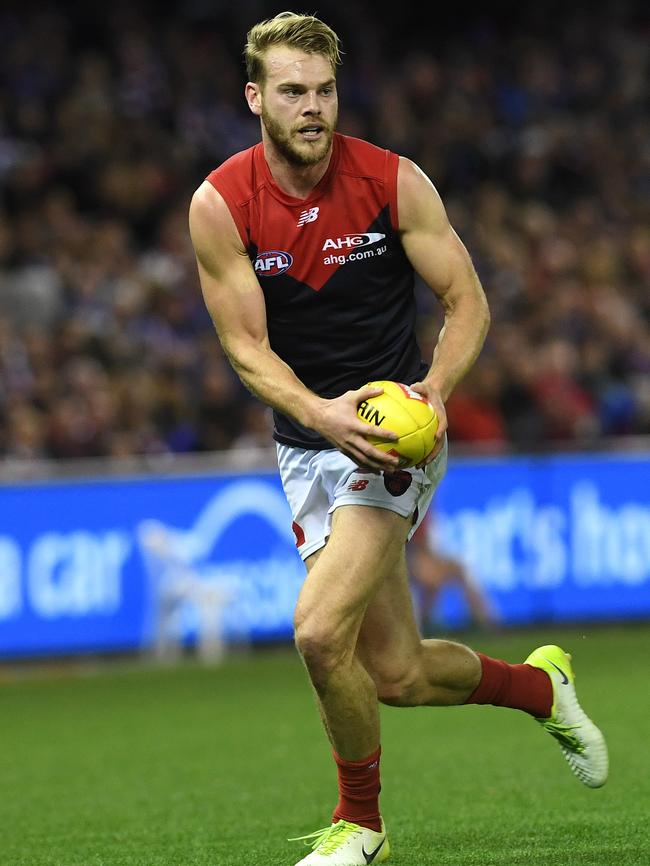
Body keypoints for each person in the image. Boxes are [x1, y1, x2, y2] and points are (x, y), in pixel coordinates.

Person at [188, 12, 608, 865]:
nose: (312, 107)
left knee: (315, 632)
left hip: (392, 433)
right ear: (254, 98)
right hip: (309, 441)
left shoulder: (391, 181)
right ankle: (542, 687)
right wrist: (320, 415)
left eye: (325, 90)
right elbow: (245, 348)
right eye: (293, 92)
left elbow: (468, 302)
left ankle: (361, 828)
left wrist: (437, 391)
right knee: (397, 673)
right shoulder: (221, 204)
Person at [408, 516, 499, 634]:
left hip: (421, 555)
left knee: (458, 570)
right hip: (406, 557)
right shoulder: (409, 504)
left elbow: (427, 544)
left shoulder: (425, 507)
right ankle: (419, 629)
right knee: (432, 579)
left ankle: (489, 625)